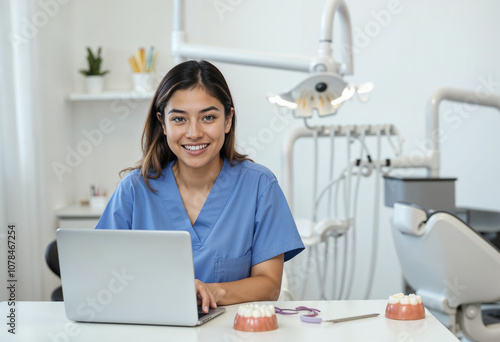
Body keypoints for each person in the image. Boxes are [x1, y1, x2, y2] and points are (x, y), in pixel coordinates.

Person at [96, 60, 304, 313]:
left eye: (208, 117)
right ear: (163, 124)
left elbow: (269, 285)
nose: (194, 133)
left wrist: (215, 291)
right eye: (179, 119)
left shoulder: (259, 186)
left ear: (227, 120)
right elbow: (103, 278)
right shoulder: (134, 190)